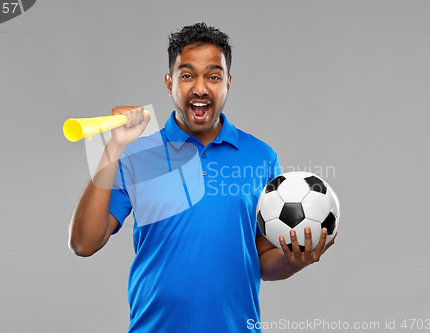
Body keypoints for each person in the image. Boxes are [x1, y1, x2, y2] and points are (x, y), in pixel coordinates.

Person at [68, 22, 336, 332]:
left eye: (213, 76)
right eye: (186, 75)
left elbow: (261, 255)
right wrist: (113, 147)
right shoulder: (136, 154)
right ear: (169, 83)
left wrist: (292, 262)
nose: (200, 88)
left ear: (228, 83)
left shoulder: (261, 157)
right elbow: (83, 243)